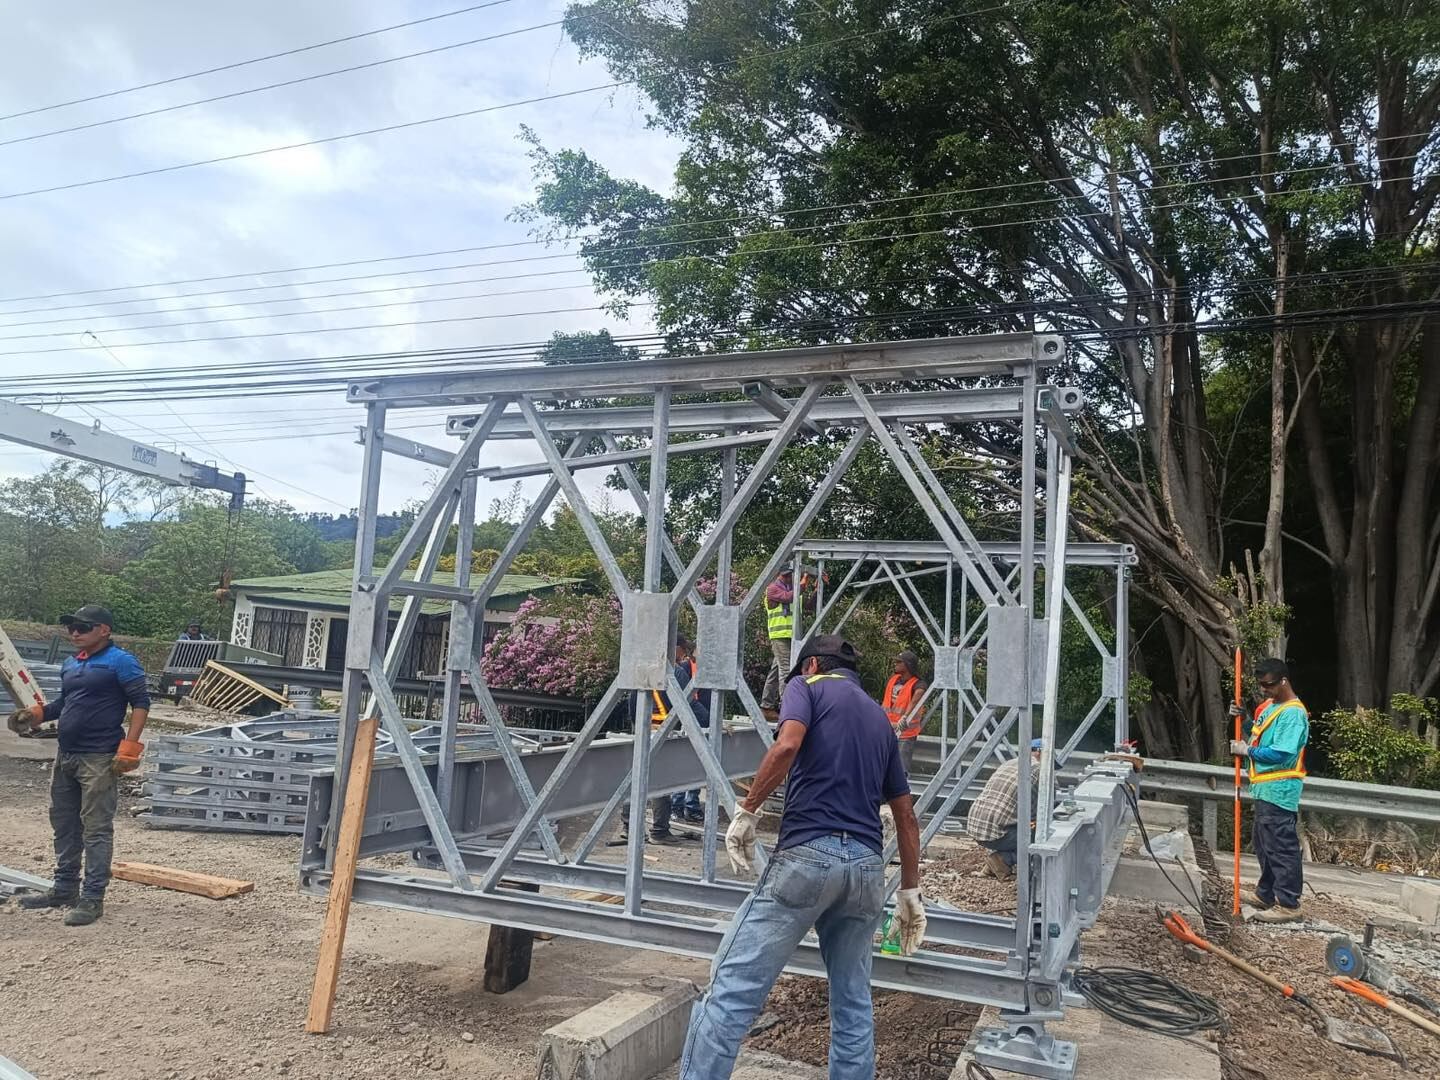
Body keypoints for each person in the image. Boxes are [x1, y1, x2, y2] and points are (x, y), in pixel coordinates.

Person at [679, 635, 926, 1080]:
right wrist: (910, 890)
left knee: (731, 991)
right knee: (852, 1004)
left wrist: (747, 810)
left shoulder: (807, 686)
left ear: (811, 663)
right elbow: (906, 815)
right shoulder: (878, 717)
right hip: (867, 870)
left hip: (809, 856)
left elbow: (788, 745)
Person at [15, 605, 150, 926]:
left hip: (99, 757)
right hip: (67, 755)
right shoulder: (71, 663)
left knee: (96, 829)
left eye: (83, 627)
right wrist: (34, 715)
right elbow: (64, 704)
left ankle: (92, 897)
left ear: (104, 630)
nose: (74, 632)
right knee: (64, 823)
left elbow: (141, 702)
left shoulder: (121, 662)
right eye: (71, 627)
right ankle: (64, 888)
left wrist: (129, 747)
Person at [1230, 658, 1310, 923]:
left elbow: (1281, 752)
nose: (1264, 689)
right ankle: (1266, 893)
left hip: (1280, 789)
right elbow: (1256, 733)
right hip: (1263, 789)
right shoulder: (1269, 706)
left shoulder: (1293, 713)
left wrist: (1247, 751)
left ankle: (1288, 903)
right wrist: (1240, 718)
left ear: (1283, 681)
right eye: (1261, 685)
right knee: (1265, 846)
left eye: (1268, 685)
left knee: (1281, 847)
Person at [966, 740, 1044, 881]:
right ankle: (1003, 859)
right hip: (996, 833)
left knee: (1027, 824)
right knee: (1042, 833)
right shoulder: (1041, 770)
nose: (1051, 767)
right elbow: (1050, 808)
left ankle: (993, 866)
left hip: (974, 826)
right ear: (1039, 752)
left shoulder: (1010, 763)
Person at [661, 635, 710, 825]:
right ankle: (677, 806)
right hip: (687, 724)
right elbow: (687, 701)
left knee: (697, 766)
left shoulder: (706, 670)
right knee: (684, 765)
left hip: (701, 723)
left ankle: (692, 807)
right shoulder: (684, 669)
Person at [881, 650, 927, 774]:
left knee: (901, 769)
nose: (895, 663)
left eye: (899, 662)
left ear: (908, 665)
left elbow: (917, 697)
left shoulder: (918, 684)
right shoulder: (894, 680)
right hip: (887, 729)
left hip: (905, 732)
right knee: (883, 765)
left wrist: (905, 716)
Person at [759, 569, 797, 714]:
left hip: (791, 636)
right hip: (779, 634)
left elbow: (807, 606)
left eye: (789, 575)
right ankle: (787, 708)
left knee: (776, 670)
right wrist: (803, 583)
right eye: (785, 575)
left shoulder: (794, 590)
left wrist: (815, 590)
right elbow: (787, 598)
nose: (787, 578)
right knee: (786, 670)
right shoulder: (773, 589)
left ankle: (766, 705)